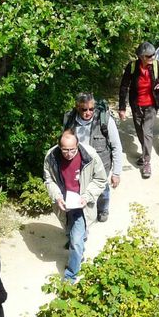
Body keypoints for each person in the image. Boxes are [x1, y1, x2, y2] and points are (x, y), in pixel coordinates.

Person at [43, 130, 108, 281]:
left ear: (78, 145)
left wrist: (86, 197)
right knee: (70, 231)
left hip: (81, 204)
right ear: (59, 146)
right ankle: (78, 252)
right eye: (65, 150)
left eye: (73, 149)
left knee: (76, 241)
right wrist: (57, 196)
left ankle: (71, 275)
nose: (69, 153)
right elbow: (49, 180)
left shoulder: (90, 155)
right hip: (64, 204)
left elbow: (100, 180)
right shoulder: (51, 157)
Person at [62, 92, 123, 222]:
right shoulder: (70, 120)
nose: (88, 113)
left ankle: (103, 208)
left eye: (91, 109)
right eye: (84, 109)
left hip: (101, 165)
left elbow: (117, 146)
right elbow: (65, 141)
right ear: (78, 107)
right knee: (80, 190)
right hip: (79, 165)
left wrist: (116, 173)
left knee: (102, 188)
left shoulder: (104, 120)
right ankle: (82, 215)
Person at [118, 42, 159, 179]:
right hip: (136, 105)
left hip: (151, 105)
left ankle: (146, 162)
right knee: (140, 132)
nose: (152, 57)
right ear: (141, 57)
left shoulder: (157, 66)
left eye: (153, 55)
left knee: (147, 132)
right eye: (149, 56)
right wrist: (122, 107)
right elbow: (124, 87)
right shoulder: (132, 67)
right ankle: (146, 154)